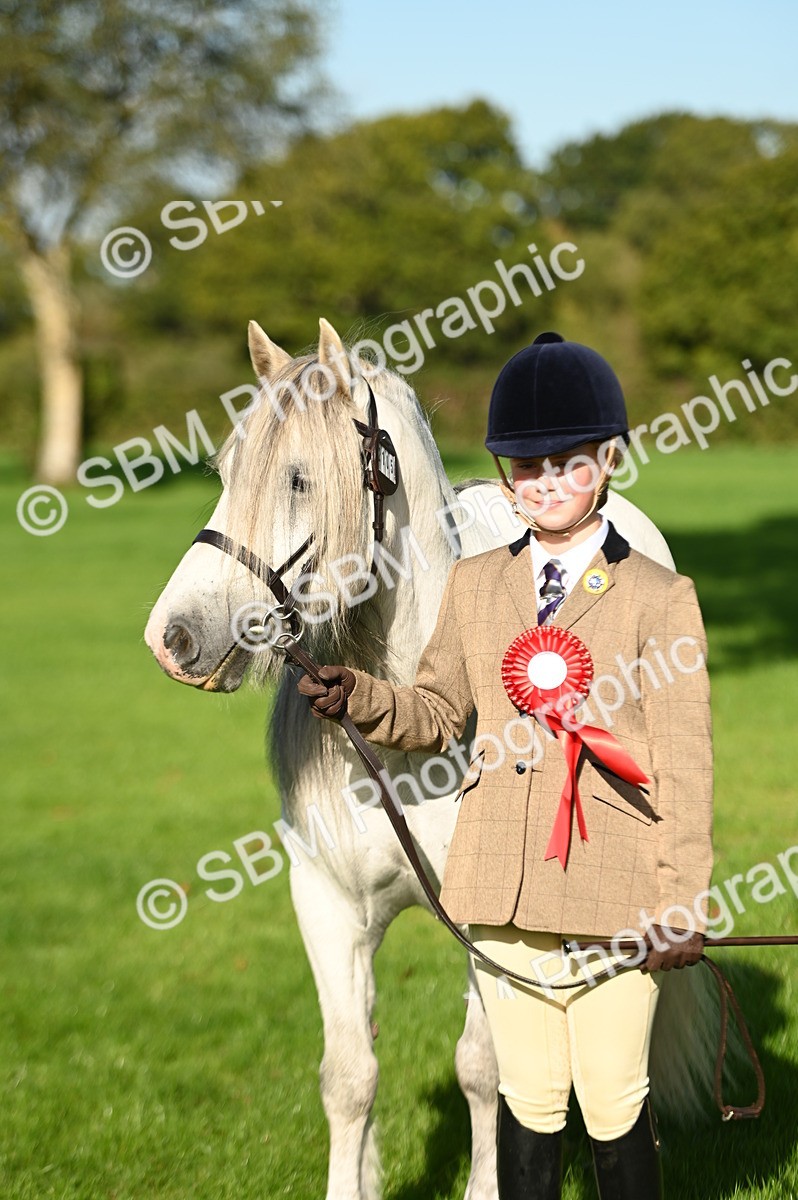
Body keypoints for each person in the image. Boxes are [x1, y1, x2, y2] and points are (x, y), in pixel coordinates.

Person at [297, 332, 714, 1199]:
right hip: (498, 895)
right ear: (501, 471)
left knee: (611, 1102)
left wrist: (680, 903)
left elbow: (684, 761)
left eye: (567, 463)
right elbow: (440, 710)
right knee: (525, 1104)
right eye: (525, 468)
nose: (545, 483)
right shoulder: (478, 583)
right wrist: (361, 697)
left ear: (608, 461)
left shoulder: (659, 598)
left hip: (615, 895)